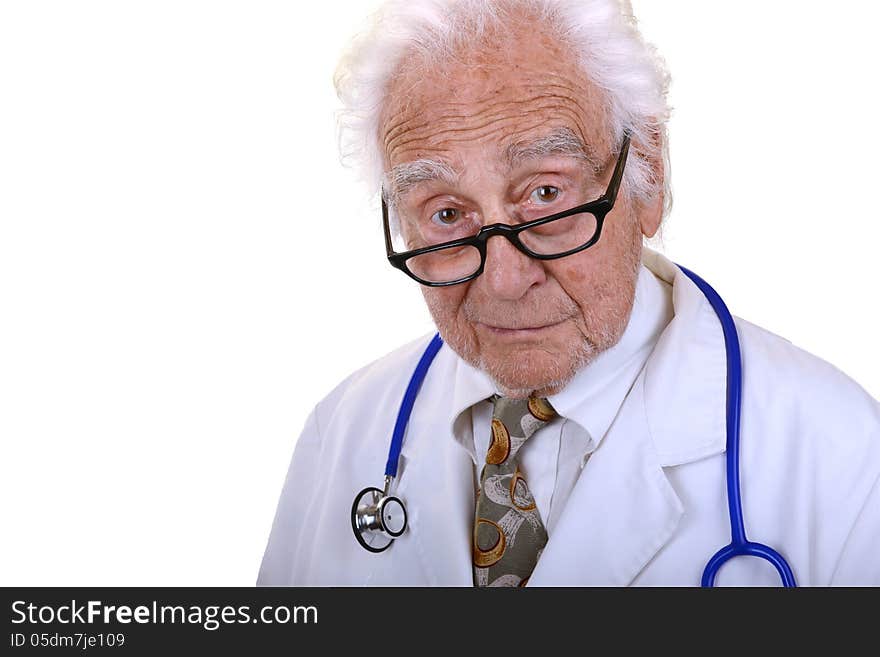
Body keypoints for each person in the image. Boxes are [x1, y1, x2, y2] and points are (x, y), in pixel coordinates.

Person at [257, 0, 880, 586]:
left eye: (546, 194)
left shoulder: (842, 451)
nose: (502, 280)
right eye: (446, 214)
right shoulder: (342, 429)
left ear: (649, 175)